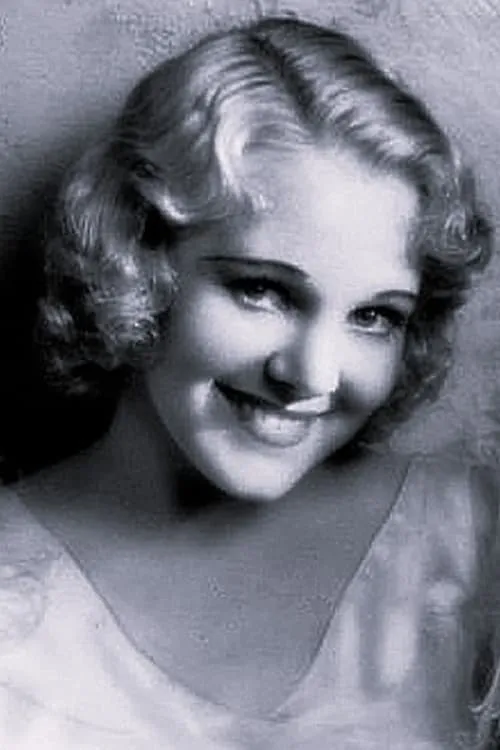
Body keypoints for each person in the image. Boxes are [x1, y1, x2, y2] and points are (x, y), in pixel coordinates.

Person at [0, 15, 497, 750]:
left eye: (374, 317)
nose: (313, 374)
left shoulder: (468, 539)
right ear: (141, 257)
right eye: (263, 291)